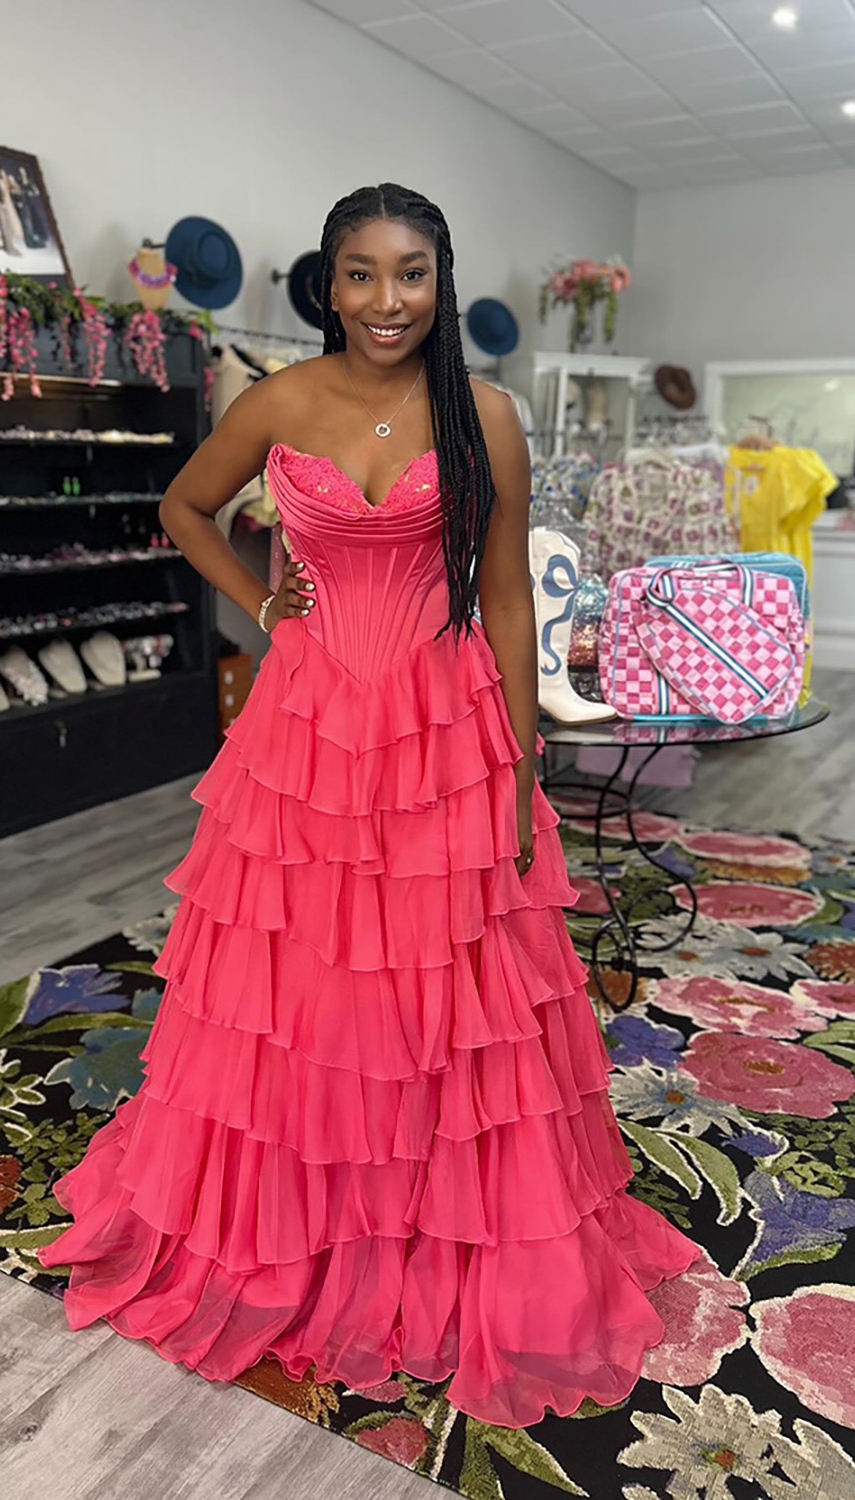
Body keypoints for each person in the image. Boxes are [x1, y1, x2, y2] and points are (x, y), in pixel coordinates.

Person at [36, 182, 703, 1429]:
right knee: (301, 980)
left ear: (438, 283)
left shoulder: (485, 415)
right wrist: (262, 606)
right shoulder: (281, 400)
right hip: (308, 723)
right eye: (359, 273)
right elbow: (183, 508)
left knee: (446, 979)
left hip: (443, 722)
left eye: (408, 273)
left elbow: (504, 599)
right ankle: (307, 1213)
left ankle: (432, 1218)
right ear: (327, 285)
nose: (384, 299)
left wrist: (514, 768)